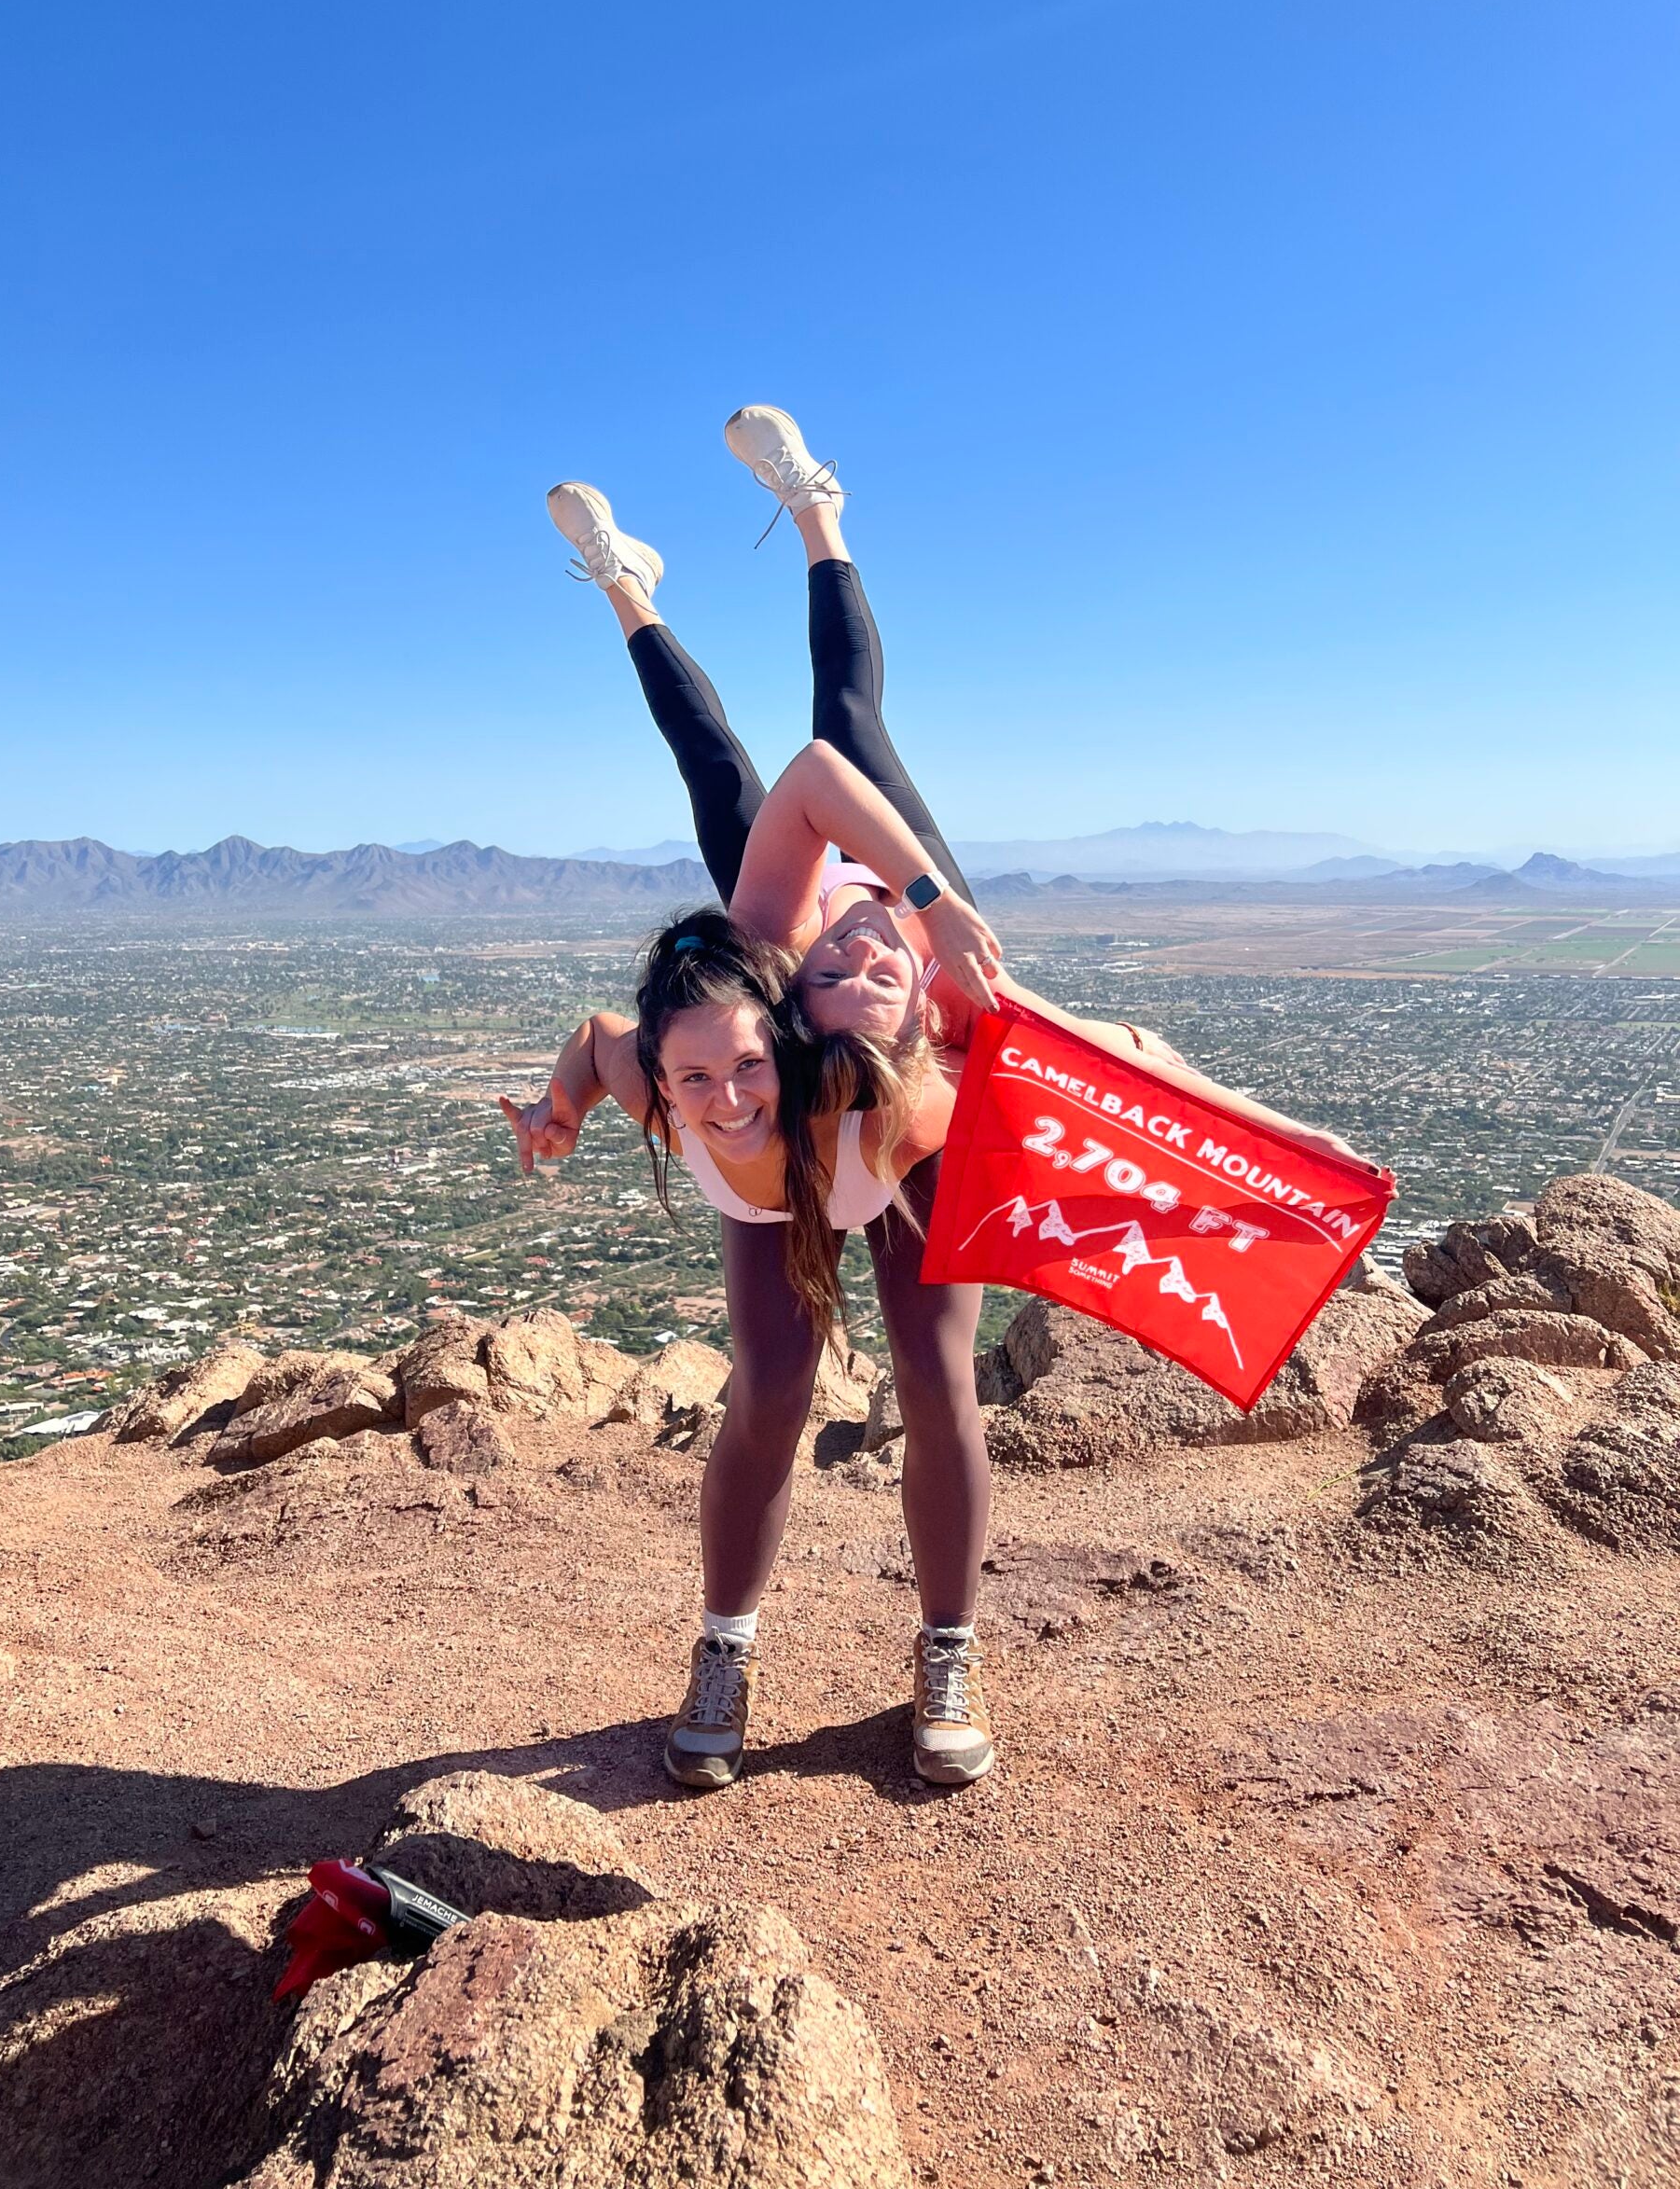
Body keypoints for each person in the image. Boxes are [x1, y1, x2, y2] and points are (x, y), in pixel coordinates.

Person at [507, 408, 1353, 1794]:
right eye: (841, 962)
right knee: (769, 1389)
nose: (850, 951)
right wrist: (562, 1112)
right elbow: (602, 1038)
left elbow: (1124, 1048)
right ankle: (725, 1646)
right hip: (840, 1002)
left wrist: (927, 911)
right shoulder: (735, 1044)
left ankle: (814, 509)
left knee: (932, 1371)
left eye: (856, 959)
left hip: (925, 939)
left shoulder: (945, 1004)